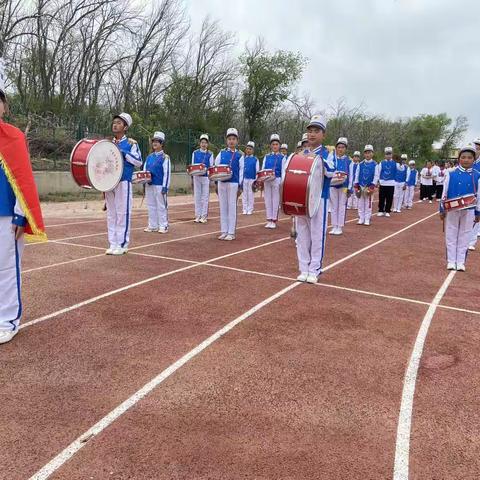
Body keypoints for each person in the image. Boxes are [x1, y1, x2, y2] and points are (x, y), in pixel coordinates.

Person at [0, 57, 47, 344]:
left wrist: (21, 216)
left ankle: (8, 319)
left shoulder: (13, 137)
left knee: (6, 267)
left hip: (6, 214)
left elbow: (24, 181)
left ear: (4, 106)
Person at [295, 114, 335, 284]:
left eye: (316, 131)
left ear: (323, 134)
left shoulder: (327, 153)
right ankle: (303, 268)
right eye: (310, 131)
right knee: (302, 235)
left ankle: (315, 269)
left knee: (317, 235)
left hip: (320, 199)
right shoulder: (301, 154)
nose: (312, 134)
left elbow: (331, 172)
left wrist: (318, 159)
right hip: (301, 199)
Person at [105, 112, 142, 255]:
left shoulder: (131, 143)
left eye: (119, 123)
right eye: (114, 122)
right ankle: (113, 243)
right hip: (109, 182)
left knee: (122, 213)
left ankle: (122, 244)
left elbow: (139, 161)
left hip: (124, 180)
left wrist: (124, 153)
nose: (115, 124)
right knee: (111, 214)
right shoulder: (108, 143)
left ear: (125, 127)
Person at [439, 145, 480, 271]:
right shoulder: (451, 173)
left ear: (474, 159)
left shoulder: (477, 175)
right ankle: (451, 260)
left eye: (469, 157)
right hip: (452, 209)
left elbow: (479, 194)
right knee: (451, 234)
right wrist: (442, 209)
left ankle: (461, 261)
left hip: (469, 210)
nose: (466, 160)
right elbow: (444, 192)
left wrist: (478, 211)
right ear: (459, 159)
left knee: (465, 235)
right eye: (463, 157)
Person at [214, 128, 244, 240]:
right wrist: (216, 183)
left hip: (233, 183)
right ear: (226, 140)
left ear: (237, 141)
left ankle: (231, 232)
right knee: (223, 207)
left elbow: (241, 171)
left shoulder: (240, 155)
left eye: (234, 139)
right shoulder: (221, 153)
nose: (231, 141)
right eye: (229, 139)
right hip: (222, 183)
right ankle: (224, 230)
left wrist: (240, 186)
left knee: (232, 207)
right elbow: (216, 168)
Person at [144, 131, 171, 234]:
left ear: (162, 143)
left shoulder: (165, 157)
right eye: (153, 141)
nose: (154, 143)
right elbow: (145, 170)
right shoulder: (149, 157)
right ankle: (153, 225)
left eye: (157, 142)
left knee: (161, 206)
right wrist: (144, 181)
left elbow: (167, 173)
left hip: (160, 185)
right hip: (149, 185)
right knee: (151, 205)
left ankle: (163, 225)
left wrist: (165, 187)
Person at [262, 134, 286, 229]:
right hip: (267, 180)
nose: (275, 146)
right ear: (270, 146)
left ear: (279, 146)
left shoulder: (282, 157)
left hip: (277, 179)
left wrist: (282, 182)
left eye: (276, 144)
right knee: (267, 199)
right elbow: (263, 168)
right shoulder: (267, 156)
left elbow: (284, 170)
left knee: (275, 200)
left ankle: (274, 220)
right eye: (273, 144)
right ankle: (268, 219)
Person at [328, 137, 350, 235]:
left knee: (341, 206)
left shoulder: (349, 161)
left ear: (345, 149)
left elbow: (352, 175)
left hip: (344, 186)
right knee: (333, 206)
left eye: (342, 147)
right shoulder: (332, 159)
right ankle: (334, 225)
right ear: (336, 148)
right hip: (333, 185)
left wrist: (350, 188)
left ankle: (339, 226)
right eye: (339, 147)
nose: (340, 149)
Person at [191, 133, 213, 223]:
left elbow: (211, 166)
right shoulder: (195, 153)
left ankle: (204, 216)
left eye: (205, 142)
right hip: (196, 177)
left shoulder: (210, 154)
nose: (203, 144)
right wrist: (192, 178)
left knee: (205, 197)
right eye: (202, 142)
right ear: (200, 143)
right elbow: (192, 165)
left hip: (205, 177)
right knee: (197, 196)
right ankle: (197, 215)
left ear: (207, 144)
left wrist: (210, 177)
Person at [353, 145, 377, 226]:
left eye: (369, 152)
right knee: (360, 203)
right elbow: (357, 174)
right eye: (366, 153)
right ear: (364, 154)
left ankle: (367, 218)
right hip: (361, 185)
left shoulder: (375, 164)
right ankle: (361, 218)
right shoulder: (360, 164)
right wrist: (356, 185)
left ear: (372, 154)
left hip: (369, 186)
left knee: (368, 204)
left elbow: (376, 176)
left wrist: (372, 186)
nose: (367, 154)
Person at [376, 147, 397, 217]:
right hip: (383, 182)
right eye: (387, 154)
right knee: (381, 197)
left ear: (392, 155)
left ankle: (388, 210)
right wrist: (378, 181)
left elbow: (399, 170)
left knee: (389, 197)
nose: (388, 155)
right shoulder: (381, 163)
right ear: (385, 155)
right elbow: (378, 172)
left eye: (390, 154)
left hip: (391, 183)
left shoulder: (395, 163)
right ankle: (381, 210)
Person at [468, 138, 480, 251]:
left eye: (479, 146)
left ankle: (471, 241)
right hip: (469, 190)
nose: (477, 148)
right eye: (476, 145)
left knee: (477, 216)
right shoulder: (469, 160)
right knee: (467, 215)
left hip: (479, 192)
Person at [242, 141, 259, 215]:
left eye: (250, 149)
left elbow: (257, 170)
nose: (248, 150)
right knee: (244, 194)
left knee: (250, 194)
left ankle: (250, 209)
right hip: (244, 179)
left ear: (253, 150)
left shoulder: (255, 159)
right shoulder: (243, 159)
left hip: (252, 179)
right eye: (247, 149)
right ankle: (244, 208)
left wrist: (256, 181)